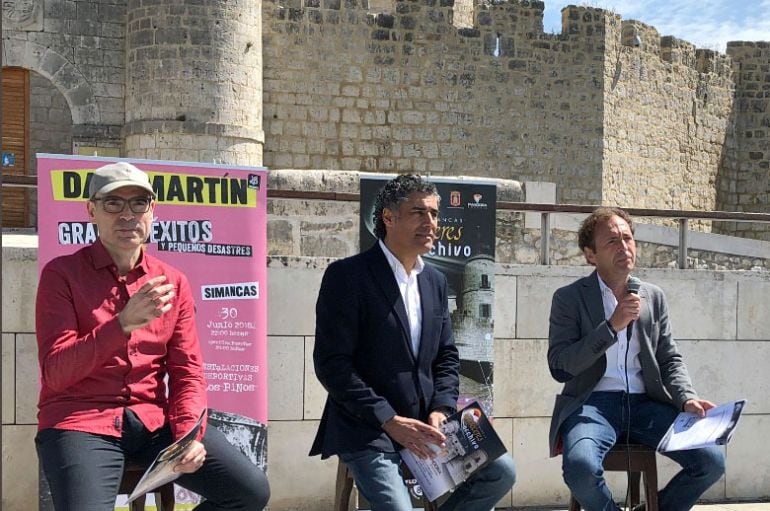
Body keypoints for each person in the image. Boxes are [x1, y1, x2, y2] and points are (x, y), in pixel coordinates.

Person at [35, 162, 270, 510]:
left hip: (151, 422)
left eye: (138, 204)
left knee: (250, 491)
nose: (127, 215)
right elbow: (56, 372)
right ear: (91, 211)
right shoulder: (62, 275)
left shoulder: (172, 282)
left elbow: (187, 371)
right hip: (81, 421)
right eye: (113, 203)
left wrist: (189, 435)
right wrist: (122, 324)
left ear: (152, 211)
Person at [310, 174, 516, 510]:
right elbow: (332, 365)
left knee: (501, 472)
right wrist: (388, 419)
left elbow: (447, 357)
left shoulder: (434, 281)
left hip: (427, 421)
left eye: (434, 214)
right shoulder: (347, 276)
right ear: (388, 218)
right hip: (368, 427)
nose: (431, 223)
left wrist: (441, 410)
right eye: (419, 213)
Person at [547, 207, 725, 511]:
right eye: (612, 241)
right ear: (591, 255)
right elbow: (560, 365)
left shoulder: (652, 296)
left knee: (711, 461)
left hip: (647, 404)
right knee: (580, 468)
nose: (624, 247)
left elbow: (669, 358)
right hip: (593, 403)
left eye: (628, 239)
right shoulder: (569, 298)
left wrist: (686, 399)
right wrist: (610, 327)